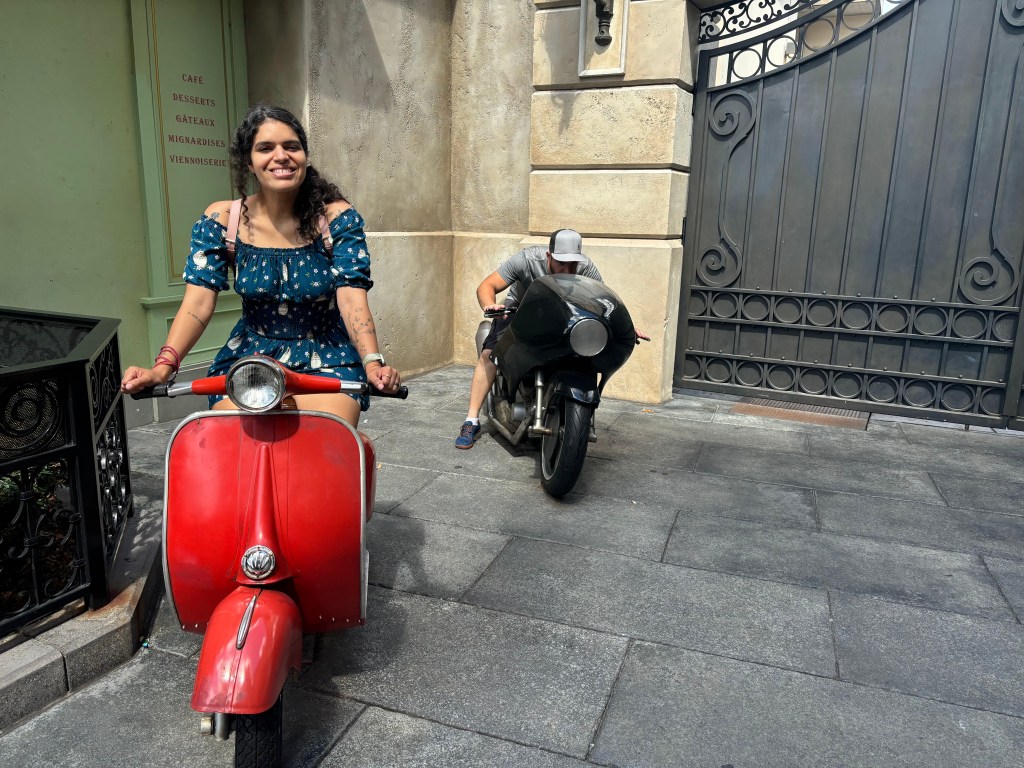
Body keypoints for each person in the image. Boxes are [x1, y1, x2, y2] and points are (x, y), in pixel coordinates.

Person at [121, 105, 401, 425]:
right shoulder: (223, 219)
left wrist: (372, 363)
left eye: (291, 146)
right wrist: (163, 367)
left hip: (326, 355)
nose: (280, 156)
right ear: (248, 162)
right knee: (232, 449)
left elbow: (351, 298)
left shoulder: (336, 218)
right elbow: (197, 302)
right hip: (249, 360)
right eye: (265, 148)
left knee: (322, 443)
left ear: (304, 156)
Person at [454, 228, 648, 448]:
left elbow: (601, 303)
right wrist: (491, 304)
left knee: (584, 353)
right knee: (490, 353)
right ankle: (471, 420)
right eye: (560, 263)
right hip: (519, 310)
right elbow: (487, 286)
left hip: (561, 317)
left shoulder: (586, 268)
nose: (567, 269)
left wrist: (625, 328)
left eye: (572, 265)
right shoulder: (526, 259)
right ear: (549, 256)